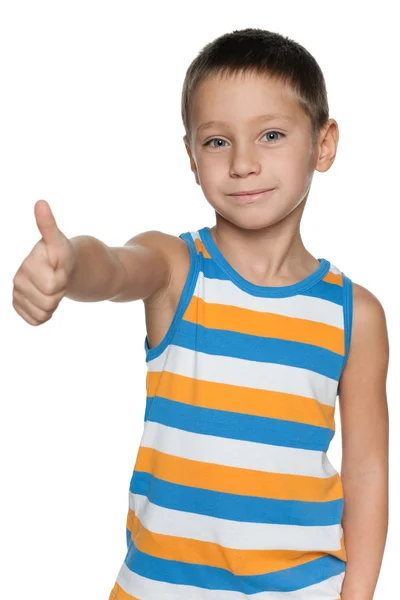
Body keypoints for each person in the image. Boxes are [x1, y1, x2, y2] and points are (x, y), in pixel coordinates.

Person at [12, 27, 389, 600]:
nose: (242, 163)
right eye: (217, 141)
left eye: (270, 135)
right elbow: (114, 266)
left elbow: (367, 473)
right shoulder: (177, 269)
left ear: (324, 143)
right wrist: (68, 270)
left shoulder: (353, 313)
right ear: (190, 154)